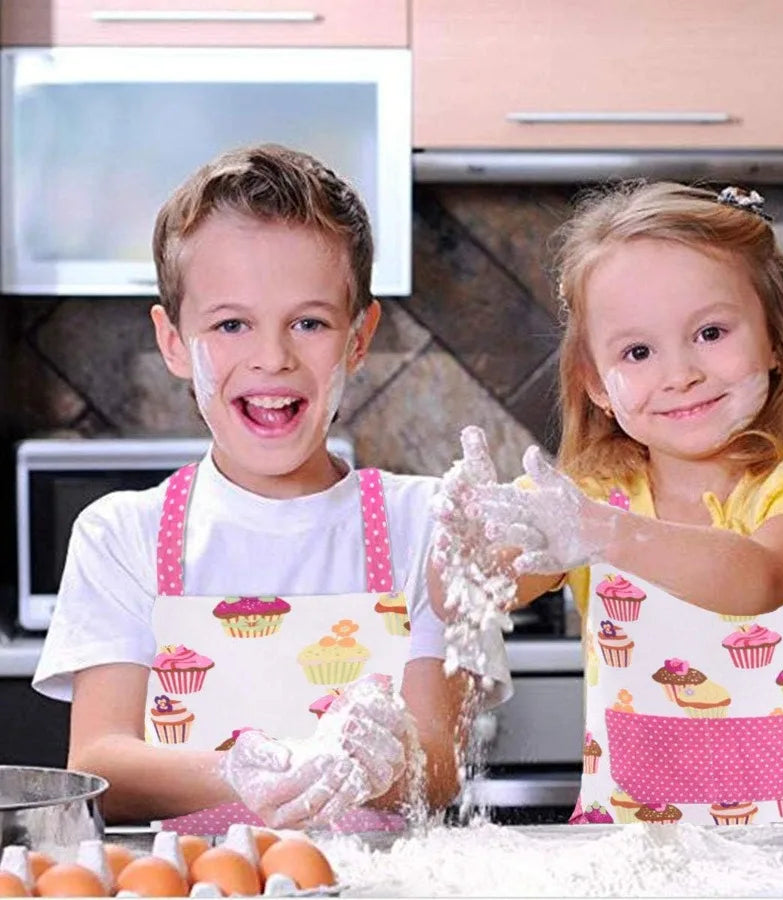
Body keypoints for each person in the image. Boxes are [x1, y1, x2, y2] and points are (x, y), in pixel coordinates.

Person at [32, 143, 509, 834]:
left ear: (357, 338)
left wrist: (379, 766)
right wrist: (242, 772)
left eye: (309, 322)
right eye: (230, 324)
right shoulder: (122, 535)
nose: (272, 357)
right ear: (172, 341)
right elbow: (103, 768)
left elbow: (437, 767)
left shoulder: (430, 525)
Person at [435, 182, 783, 825]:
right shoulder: (583, 498)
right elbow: (458, 597)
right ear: (597, 384)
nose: (679, 374)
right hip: (631, 850)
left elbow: (759, 576)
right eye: (637, 352)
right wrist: (466, 546)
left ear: (777, 336)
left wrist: (606, 533)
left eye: (711, 332)